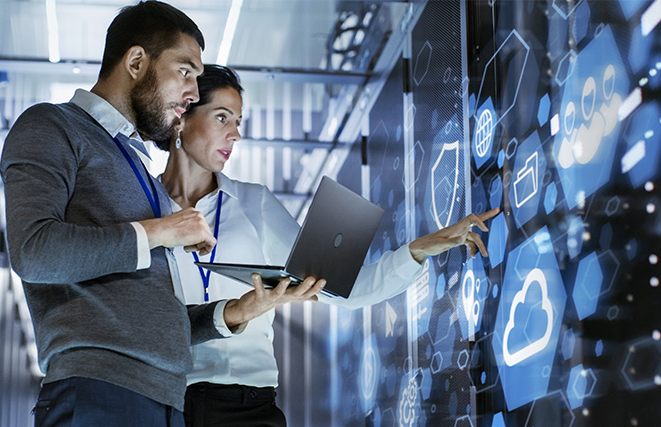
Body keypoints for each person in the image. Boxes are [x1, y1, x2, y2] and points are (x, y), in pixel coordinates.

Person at [0, 3, 322, 426]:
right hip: (99, 391)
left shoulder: (139, 171)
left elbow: (155, 318)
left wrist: (235, 312)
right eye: (185, 71)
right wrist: (159, 231)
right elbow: (33, 251)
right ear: (136, 62)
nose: (193, 93)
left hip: (164, 401)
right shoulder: (53, 125)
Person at [155, 64, 500, 427]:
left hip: (247, 406)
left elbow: (342, 289)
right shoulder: (142, 208)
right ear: (182, 116)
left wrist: (419, 249)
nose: (236, 134)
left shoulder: (254, 203)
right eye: (222, 118)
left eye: (238, 122)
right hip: (163, 401)